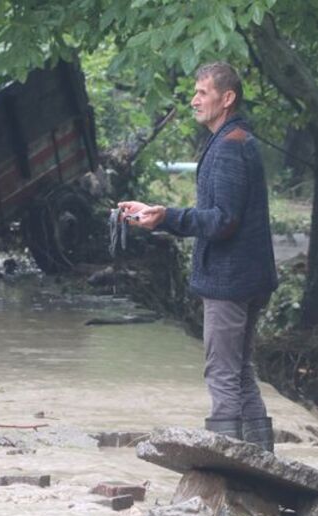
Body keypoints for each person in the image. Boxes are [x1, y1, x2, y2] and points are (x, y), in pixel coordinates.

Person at [118, 62, 278, 451]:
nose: (194, 100)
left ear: (227, 98)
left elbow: (223, 221)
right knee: (239, 370)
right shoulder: (238, 140)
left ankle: (228, 467)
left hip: (230, 279)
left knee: (222, 371)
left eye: (202, 93)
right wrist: (164, 214)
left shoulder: (227, 148)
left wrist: (166, 218)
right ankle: (262, 459)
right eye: (195, 92)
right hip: (249, 276)